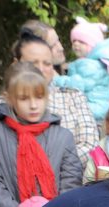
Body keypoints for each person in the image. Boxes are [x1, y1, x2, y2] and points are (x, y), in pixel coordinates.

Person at [0, 62, 82, 207]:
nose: (34, 105)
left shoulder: (64, 137)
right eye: (24, 98)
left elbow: (71, 183)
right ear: (9, 98)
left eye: (39, 97)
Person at [13, 32, 99, 167]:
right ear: (17, 64)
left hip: (70, 180)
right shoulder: (5, 104)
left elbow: (90, 145)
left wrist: (52, 164)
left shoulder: (73, 97)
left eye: (47, 63)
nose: (41, 69)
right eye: (33, 63)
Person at [54, 17, 109, 122]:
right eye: (74, 41)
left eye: (81, 42)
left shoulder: (91, 65)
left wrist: (57, 79)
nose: (76, 44)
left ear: (93, 45)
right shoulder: (89, 62)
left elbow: (78, 84)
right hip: (98, 106)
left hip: (95, 108)